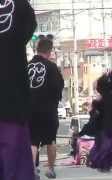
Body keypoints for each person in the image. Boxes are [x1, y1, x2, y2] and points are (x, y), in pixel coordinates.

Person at [0, 0, 37, 179]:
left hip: (13, 99)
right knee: (14, 162)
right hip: (13, 95)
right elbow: (30, 27)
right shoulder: (21, 5)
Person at [28, 38, 64, 179]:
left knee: (33, 141)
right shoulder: (52, 67)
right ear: (49, 51)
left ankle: (32, 170)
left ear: (37, 49)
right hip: (48, 110)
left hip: (30, 110)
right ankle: (50, 169)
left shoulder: (27, 66)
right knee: (51, 140)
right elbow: (58, 88)